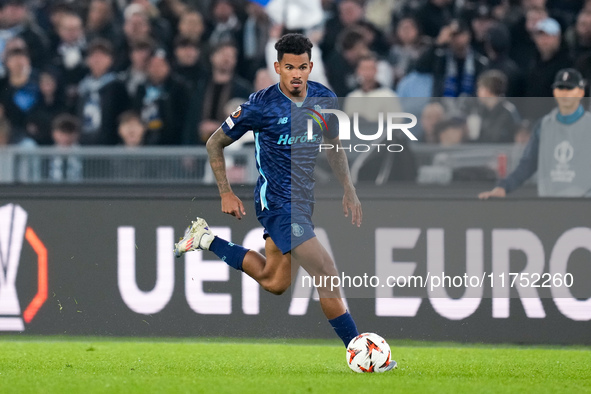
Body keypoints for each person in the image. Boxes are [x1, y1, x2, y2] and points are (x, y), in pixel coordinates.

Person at [174, 34, 393, 363]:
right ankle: (360, 350)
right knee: (327, 271)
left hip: (302, 203)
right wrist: (225, 191)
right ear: (277, 67)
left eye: (302, 67)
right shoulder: (260, 104)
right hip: (277, 203)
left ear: (310, 67)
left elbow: (333, 144)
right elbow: (214, 143)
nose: (295, 74)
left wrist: (348, 187)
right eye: (288, 67)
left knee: (274, 281)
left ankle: (205, 239)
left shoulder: (324, 99)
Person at [479, 68, 591, 198]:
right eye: (560, 88)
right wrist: (504, 187)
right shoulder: (544, 126)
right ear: (554, 92)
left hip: (584, 205)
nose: (564, 93)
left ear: (580, 92)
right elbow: (527, 164)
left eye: (569, 89)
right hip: (549, 204)